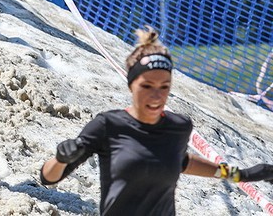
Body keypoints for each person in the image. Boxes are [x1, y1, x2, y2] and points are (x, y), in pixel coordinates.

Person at [40, 26, 273, 215]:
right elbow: (48, 178)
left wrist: (241, 175)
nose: (156, 95)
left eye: (164, 86)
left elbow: (179, 161)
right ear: (131, 85)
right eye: (147, 86)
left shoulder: (179, 127)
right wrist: (61, 159)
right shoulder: (107, 126)